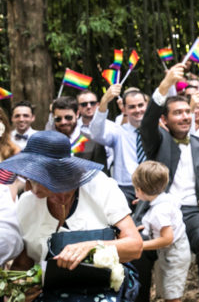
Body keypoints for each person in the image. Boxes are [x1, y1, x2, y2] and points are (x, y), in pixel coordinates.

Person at [0, 130, 143, 301]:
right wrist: (20, 289)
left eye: (32, 179)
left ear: (55, 176)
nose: (28, 188)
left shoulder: (100, 187)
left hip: (106, 291)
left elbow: (135, 247)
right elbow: (24, 263)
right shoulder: (27, 203)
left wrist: (91, 246)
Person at [138, 64, 199, 302]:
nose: (185, 116)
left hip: (194, 213)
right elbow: (146, 123)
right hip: (158, 211)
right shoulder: (158, 142)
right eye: (177, 113)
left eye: (187, 111)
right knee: (138, 246)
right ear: (164, 120)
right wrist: (165, 84)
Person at [132, 161, 190, 302]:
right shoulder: (166, 199)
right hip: (172, 251)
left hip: (173, 255)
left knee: (172, 294)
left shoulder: (159, 211)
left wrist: (141, 245)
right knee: (166, 288)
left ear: (140, 190)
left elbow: (167, 239)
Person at [89, 85, 148, 206]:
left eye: (140, 105)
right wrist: (104, 102)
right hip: (125, 188)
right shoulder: (118, 132)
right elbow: (96, 133)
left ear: (146, 105)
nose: (137, 110)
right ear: (124, 110)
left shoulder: (157, 131)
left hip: (151, 186)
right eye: (132, 107)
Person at [52, 96, 109, 171]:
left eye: (68, 117)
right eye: (58, 119)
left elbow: (103, 178)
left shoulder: (94, 144)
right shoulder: (47, 144)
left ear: (77, 114)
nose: (63, 122)